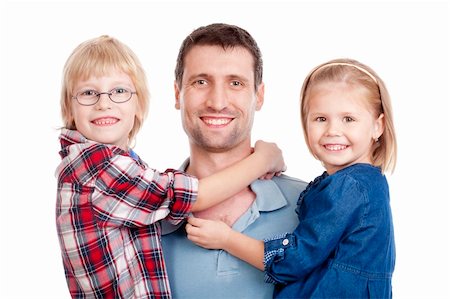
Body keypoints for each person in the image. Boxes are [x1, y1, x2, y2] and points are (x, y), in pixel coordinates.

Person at [55, 35, 287, 299]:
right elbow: (188, 196)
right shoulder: (95, 167)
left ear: (138, 105)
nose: (103, 103)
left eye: (119, 91)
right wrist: (262, 160)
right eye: (88, 93)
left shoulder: (310, 206)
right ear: (177, 94)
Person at [187, 58, 398, 298]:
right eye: (320, 119)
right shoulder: (362, 184)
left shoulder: (350, 187)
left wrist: (226, 238)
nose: (333, 130)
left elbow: (294, 259)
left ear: (377, 126)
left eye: (348, 119)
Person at [160, 23, 307, 298]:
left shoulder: (311, 205)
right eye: (200, 82)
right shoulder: (143, 211)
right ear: (178, 93)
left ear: (259, 96)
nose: (217, 102)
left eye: (235, 83)